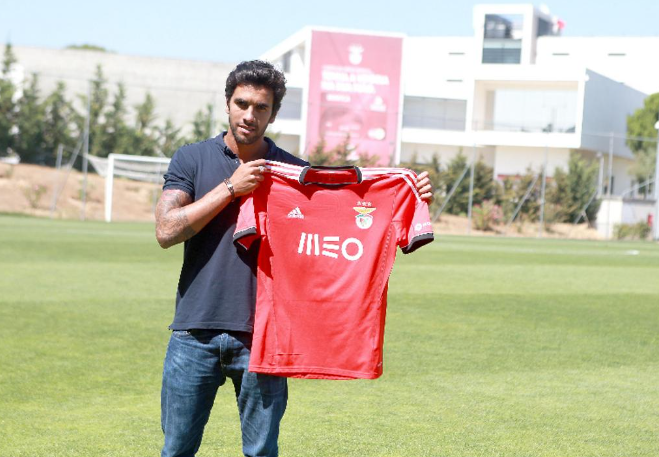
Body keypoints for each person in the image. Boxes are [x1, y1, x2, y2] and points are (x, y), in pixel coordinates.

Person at [155, 60, 433, 457]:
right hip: (193, 332)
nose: (249, 115)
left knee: (261, 452)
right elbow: (166, 231)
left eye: (261, 107)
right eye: (242, 104)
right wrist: (231, 188)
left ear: (274, 114)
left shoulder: (294, 174)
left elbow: (346, 225)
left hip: (266, 338)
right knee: (176, 450)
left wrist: (407, 193)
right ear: (228, 103)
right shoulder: (192, 158)